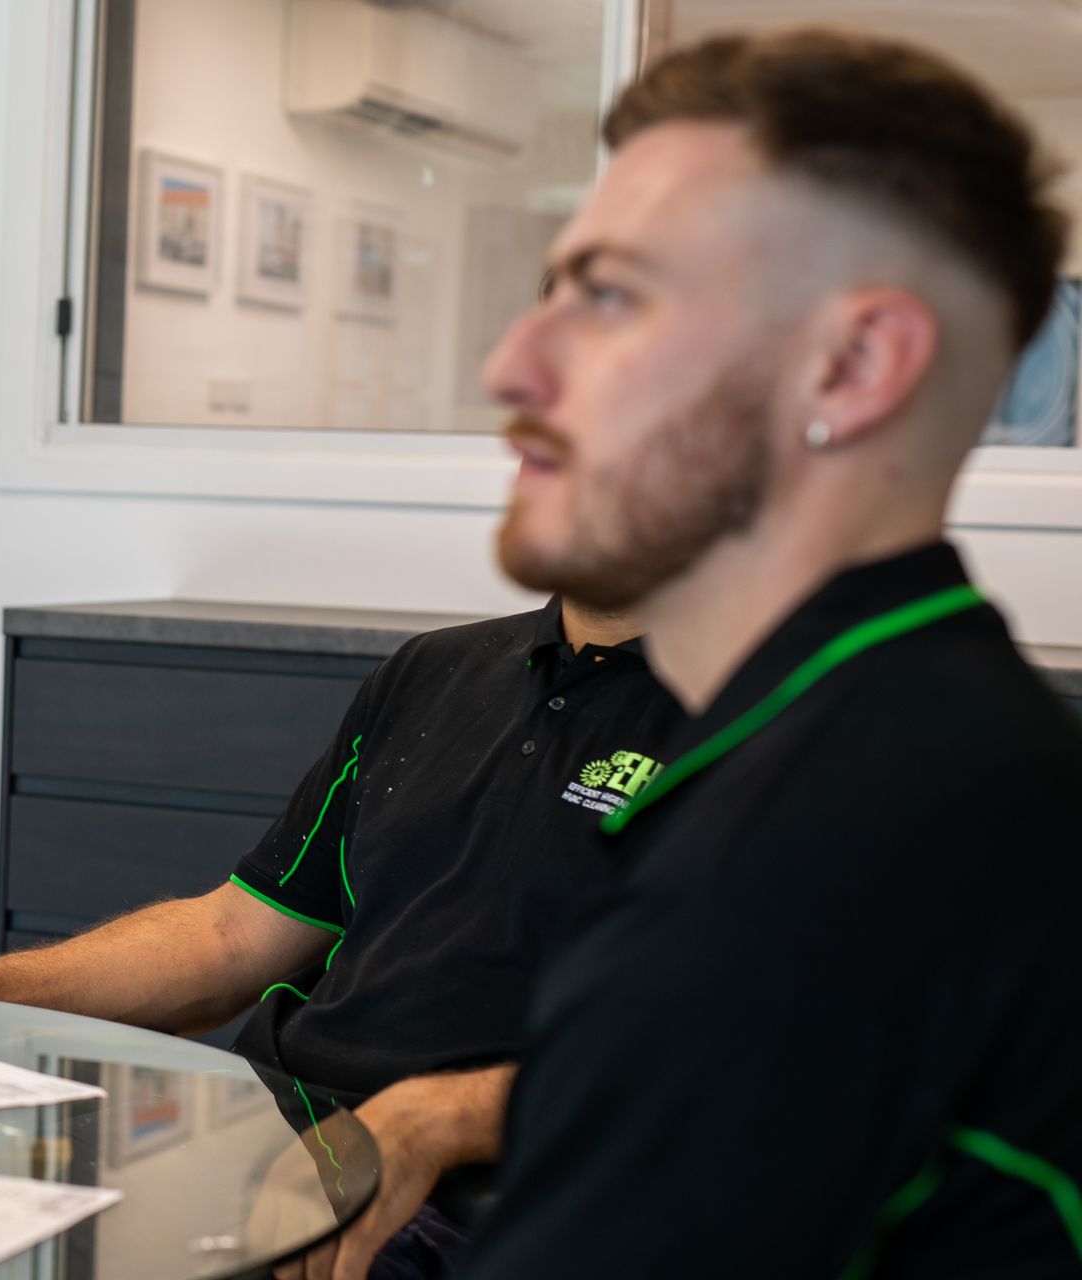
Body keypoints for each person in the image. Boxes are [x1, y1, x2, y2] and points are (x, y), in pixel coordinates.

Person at [459, 29, 1082, 1278]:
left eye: (613, 295)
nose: (510, 366)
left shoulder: (800, 876)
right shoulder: (939, 738)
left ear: (851, 368)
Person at [0, 596, 683, 1277]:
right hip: (269, 1135)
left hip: (484, 1202)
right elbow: (233, 936)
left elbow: (741, 1054)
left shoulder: (765, 728)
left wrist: (435, 1118)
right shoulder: (434, 668)